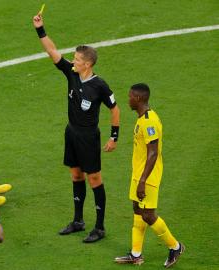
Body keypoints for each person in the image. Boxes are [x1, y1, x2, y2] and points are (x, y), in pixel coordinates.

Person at [32, 12, 120, 243]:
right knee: (75, 175)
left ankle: (99, 227)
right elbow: (52, 51)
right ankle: (78, 221)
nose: (73, 61)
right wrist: (40, 29)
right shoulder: (71, 73)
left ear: (87, 64)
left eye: (77, 59)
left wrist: (114, 137)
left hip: (89, 137)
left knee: (94, 180)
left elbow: (115, 109)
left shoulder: (99, 85)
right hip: (71, 132)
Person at [114, 83, 184, 268]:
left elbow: (153, 153)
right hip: (138, 174)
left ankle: (175, 246)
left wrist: (143, 181)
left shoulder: (149, 121)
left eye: (130, 96)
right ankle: (136, 254)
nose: (128, 99)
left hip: (149, 177)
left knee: (148, 214)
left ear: (138, 99)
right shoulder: (142, 118)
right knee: (137, 210)